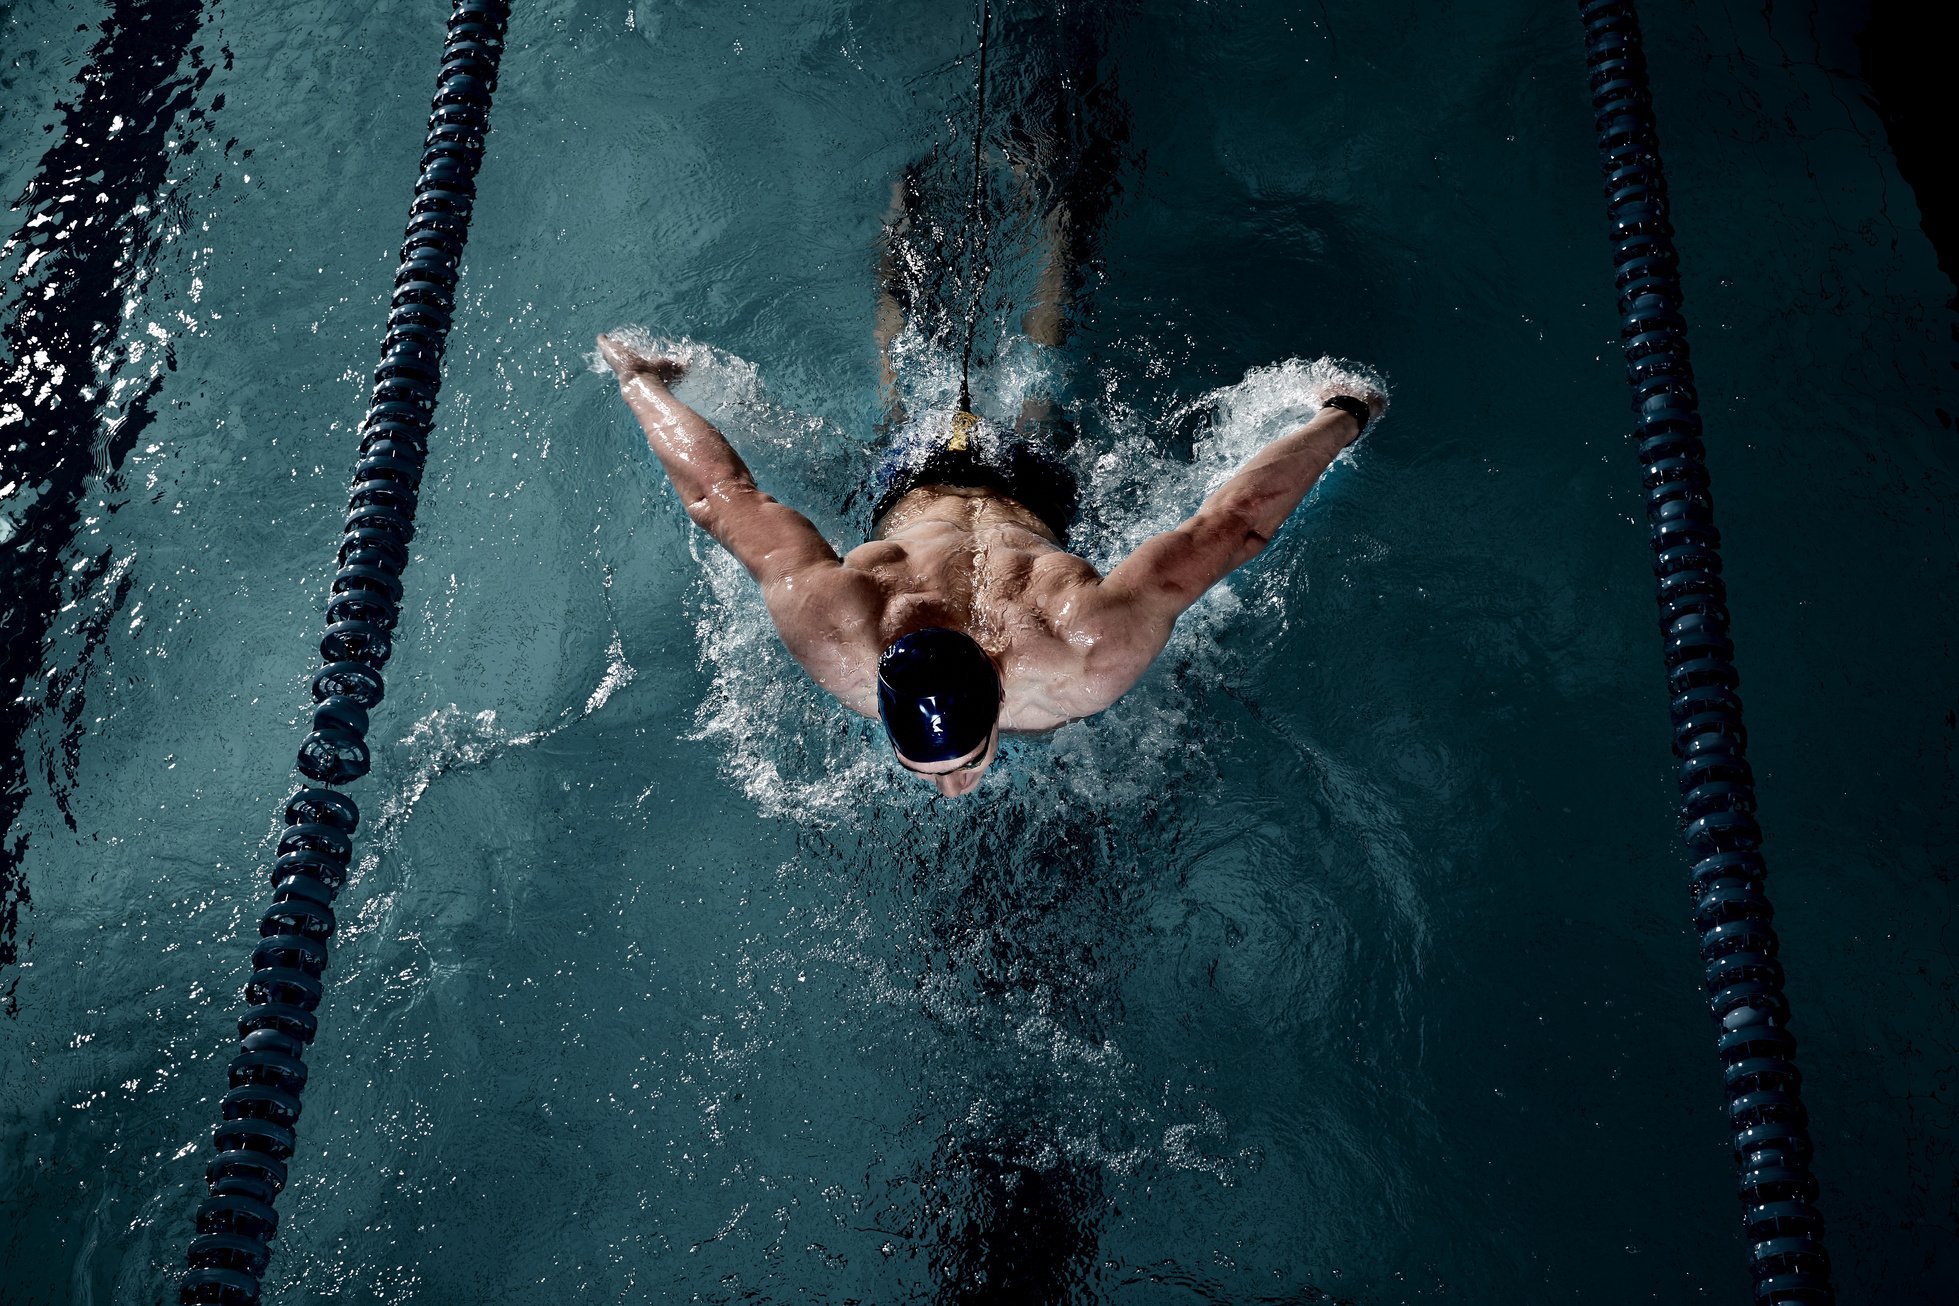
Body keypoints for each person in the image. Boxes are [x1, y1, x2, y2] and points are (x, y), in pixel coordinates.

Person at [596, 331, 1383, 797]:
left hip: (995, 485)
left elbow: (721, 495)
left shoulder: (1087, 656)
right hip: (940, 474)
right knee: (935, 382)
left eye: (953, 762)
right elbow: (1228, 525)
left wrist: (1343, 414)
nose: (951, 785)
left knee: (956, 381)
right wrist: (640, 382)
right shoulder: (848, 629)